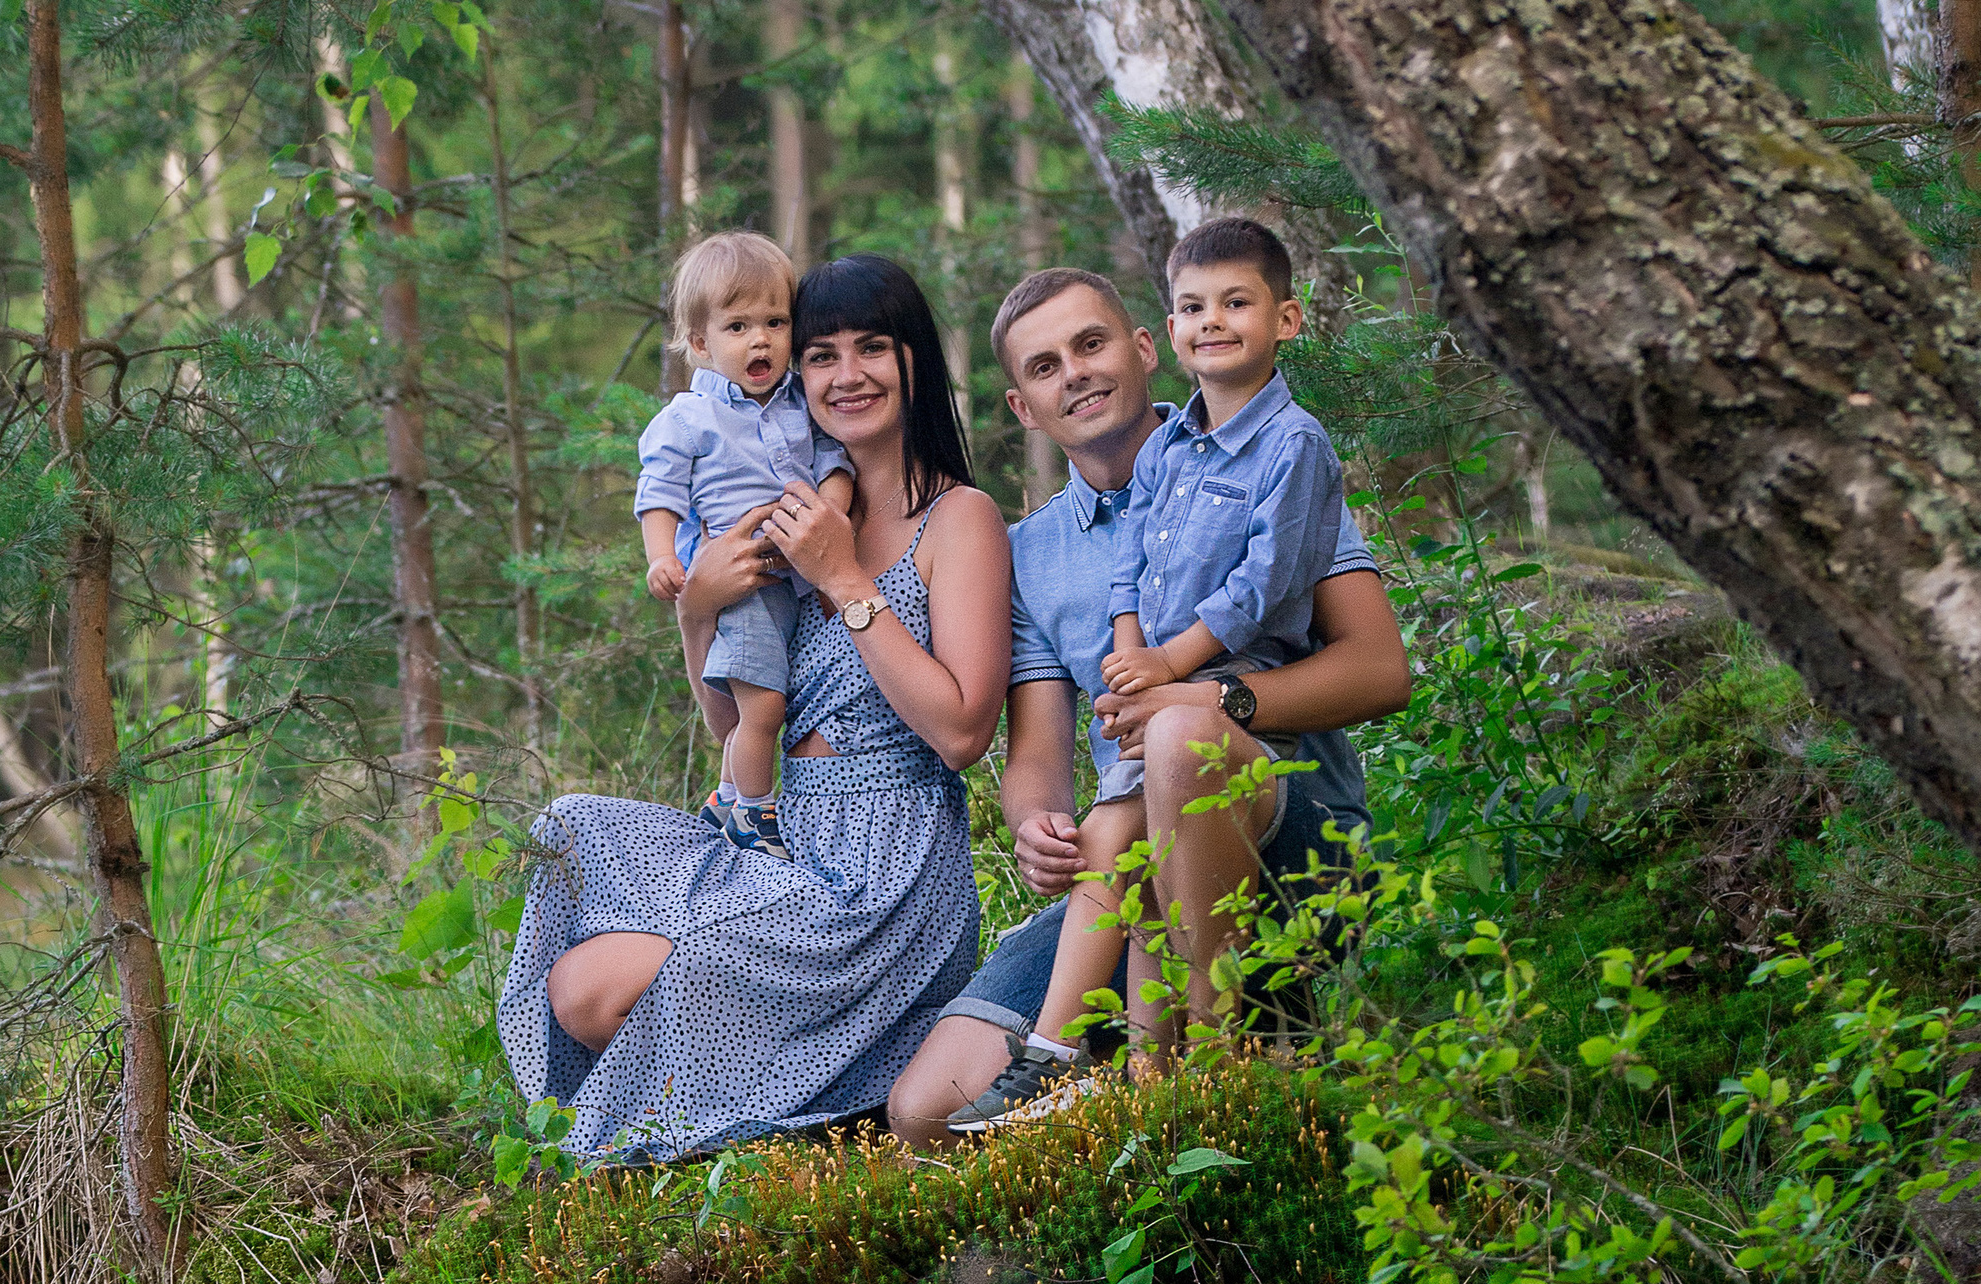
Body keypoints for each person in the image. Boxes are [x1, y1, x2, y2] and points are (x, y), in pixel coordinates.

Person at [499, 255, 1012, 1164]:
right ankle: (759, 1103)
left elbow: (964, 732)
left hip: (881, 871)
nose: (846, 374)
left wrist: (843, 578)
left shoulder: (957, 516)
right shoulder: (783, 505)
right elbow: (727, 725)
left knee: (603, 991)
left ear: (914, 358)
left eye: (872, 348)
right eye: (821, 355)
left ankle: (811, 1097)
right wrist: (697, 608)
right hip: (775, 833)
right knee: (570, 849)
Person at [884, 262, 1411, 1146]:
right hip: (1126, 858)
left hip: (1291, 835)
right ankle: (1128, 1078)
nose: (1075, 373)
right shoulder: (1031, 553)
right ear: (1023, 407)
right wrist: (1035, 823)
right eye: (1045, 366)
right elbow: (1038, 755)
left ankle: (1203, 1063)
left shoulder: (1265, 462)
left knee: (1178, 739)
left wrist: (1205, 698)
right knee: (927, 1108)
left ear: (1143, 348)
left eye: (1091, 344)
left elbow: (1380, 671)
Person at [638, 232, 859, 860]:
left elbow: (834, 460)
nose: (759, 340)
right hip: (742, 587)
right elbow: (659, 492)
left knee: (758, 705)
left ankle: (726, 797)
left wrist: (830, 512)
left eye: (775, 323)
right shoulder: (688, 418)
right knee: (762, 709)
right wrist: (662, 557)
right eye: (737, 327)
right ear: (701, 345)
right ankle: (755, 815)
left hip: (793, 580)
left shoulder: (801, 404)